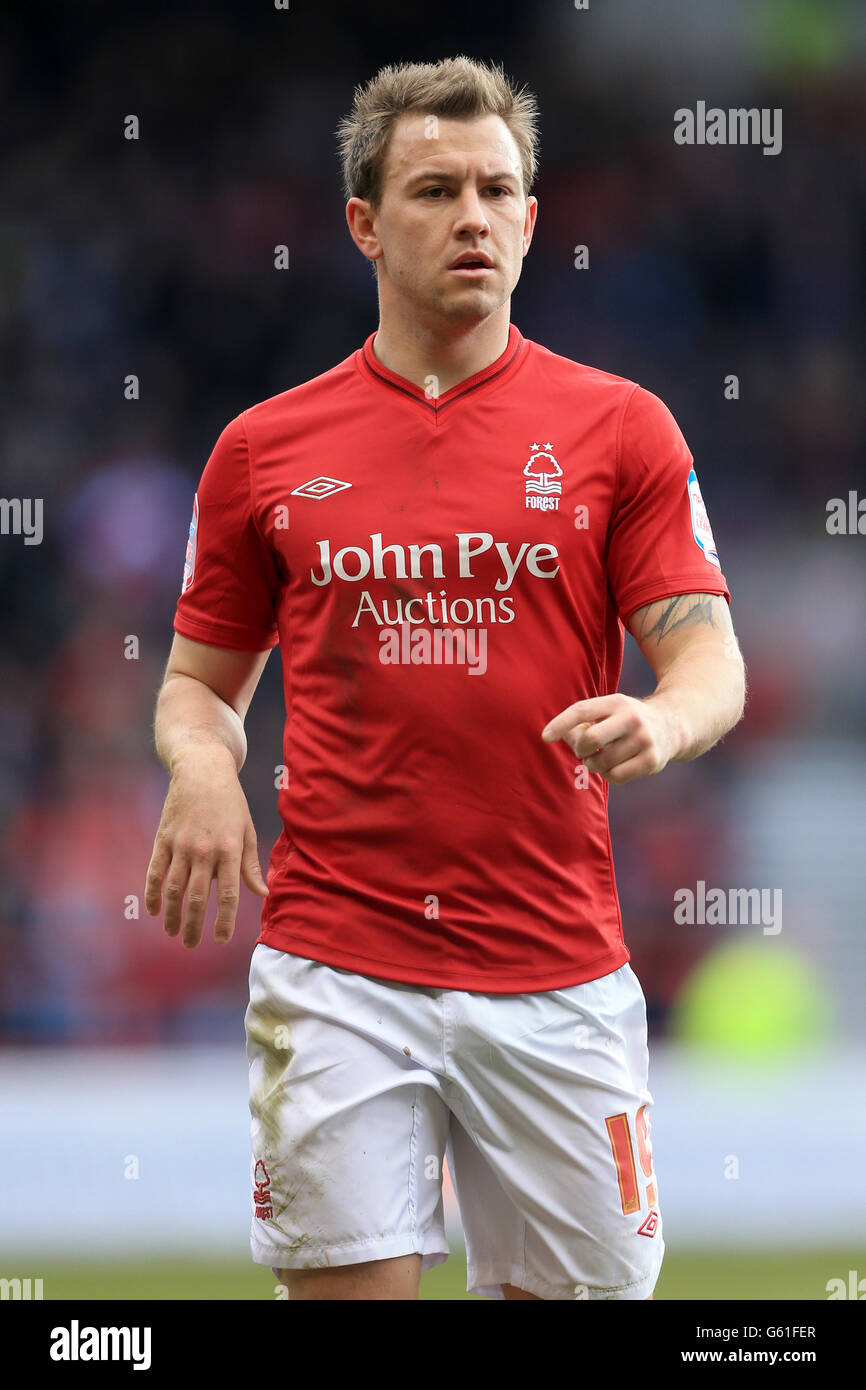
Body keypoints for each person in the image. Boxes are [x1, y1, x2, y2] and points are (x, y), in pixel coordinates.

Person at [145, 56, 745, 1301]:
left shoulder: (621, 428)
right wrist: (203, 764)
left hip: (555, 964)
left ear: (531, 221)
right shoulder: (261, 451)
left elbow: (707, 657)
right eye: (433, 189)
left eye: (496, 190)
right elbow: (199, 686)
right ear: (364, 223)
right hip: (338, 966)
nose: (471, 215)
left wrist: (660, 716)